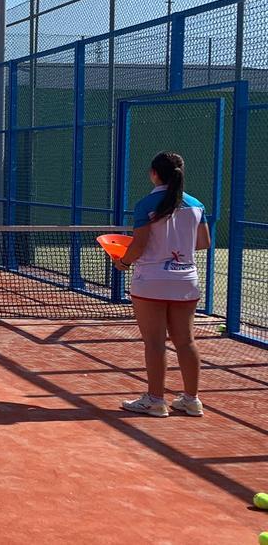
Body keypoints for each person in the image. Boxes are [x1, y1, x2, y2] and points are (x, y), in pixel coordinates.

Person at [115, 152, 208, 417]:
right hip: (186, 280)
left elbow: (139, 245)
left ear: (154, 173)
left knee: (154, 342)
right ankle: (191, 400)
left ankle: (156, 400)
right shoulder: (197, 205)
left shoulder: (146, 204)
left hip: (151, 282)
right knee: (186, 341)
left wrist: (123, 262)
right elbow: (203, 243)